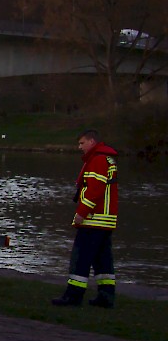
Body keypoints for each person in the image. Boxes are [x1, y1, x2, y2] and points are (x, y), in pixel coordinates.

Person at [52, 129, 119, 308]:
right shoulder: (107, 159)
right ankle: (106, 297)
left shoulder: (97, 160)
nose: (79, 147)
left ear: (92, 141)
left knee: (80, 258)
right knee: (103, 260)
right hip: (106, 220)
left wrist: (81, 213)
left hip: (94, 219)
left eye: (82, 143)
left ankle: (73, 296)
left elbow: (93, 191)